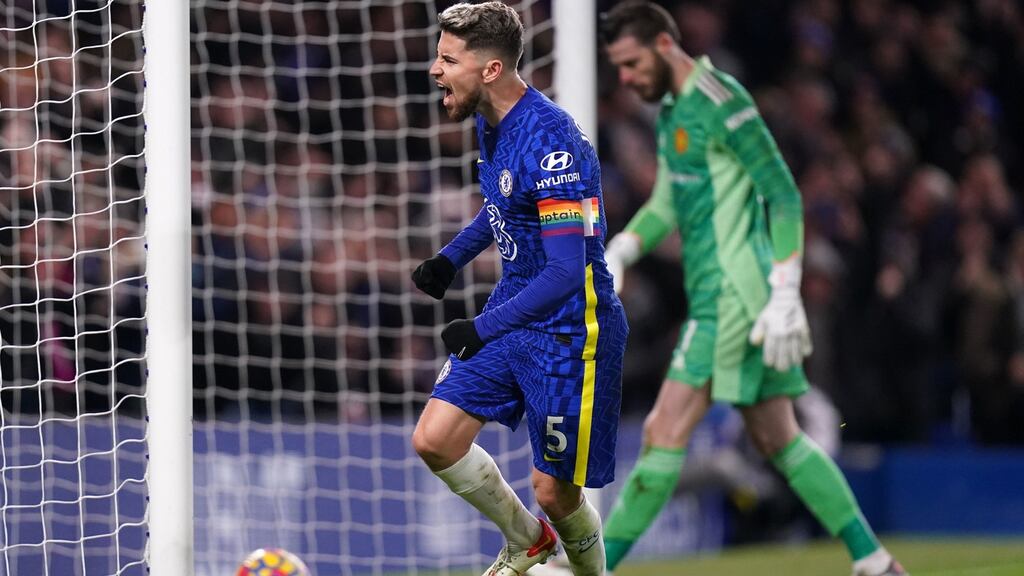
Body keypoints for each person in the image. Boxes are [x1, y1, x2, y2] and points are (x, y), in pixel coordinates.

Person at [592, 3, 907, 575]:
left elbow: (783, 194)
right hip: (724, 295)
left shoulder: (722, 101)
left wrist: (787, 293)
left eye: (632, 63)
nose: (626, 79)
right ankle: (874, 560)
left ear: (665, 46)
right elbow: (668, 201)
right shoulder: (672, 111)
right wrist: (624, 249)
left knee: (664, 430)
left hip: (737, 298)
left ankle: (594, 566)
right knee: (779, 439)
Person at [410, 3, 628, 576]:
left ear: (489, 70)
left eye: (447, 58)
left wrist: (479, 328)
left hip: (570, 328)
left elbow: (563, 272)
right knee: (434, 440)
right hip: (515, 310)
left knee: (554, 493)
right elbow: (503, 204)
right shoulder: (491, 119)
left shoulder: (551, 144)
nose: (434, 69)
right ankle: (528, 542)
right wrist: (450, 259)